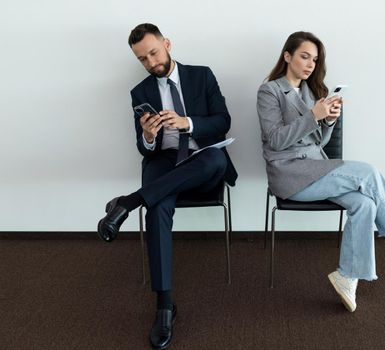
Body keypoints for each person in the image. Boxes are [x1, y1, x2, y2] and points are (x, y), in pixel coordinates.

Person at [256, 31, 385, 313]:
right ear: (287, 56)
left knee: (365, 203)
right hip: (290, 175)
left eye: (315, 59)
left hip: (315, 168)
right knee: (367, 172)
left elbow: (318, 143)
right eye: (304, 56)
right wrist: (313, 116)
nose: (310, 64)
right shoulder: (269, 91)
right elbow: (276, 140)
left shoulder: (311, 92)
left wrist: (328, 121)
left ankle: (347, 276)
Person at [97, 23, 237, 349]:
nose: (151, 62)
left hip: (201, 160)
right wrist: (148, 135)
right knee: (158, 204)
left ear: (167, 44)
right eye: (142, 59)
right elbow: (143, 148)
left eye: (154, 53)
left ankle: (128, 203)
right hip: (163, 161)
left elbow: (223, 120)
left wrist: (187, 122)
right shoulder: (140, 93)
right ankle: (164, 306)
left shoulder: (202, 75)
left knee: (215, 160)